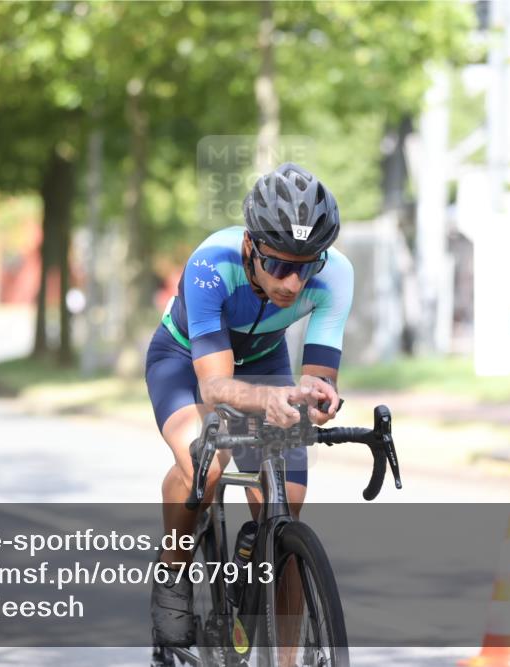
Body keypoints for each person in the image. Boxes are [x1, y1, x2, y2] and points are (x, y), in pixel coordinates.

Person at [145, 162, 354, 646]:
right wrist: (268, 399)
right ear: (250, 246)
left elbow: (319, 378)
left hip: (264, 361)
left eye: (307, 267)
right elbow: (215, 388)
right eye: (279, 265)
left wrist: (318, 400)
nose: (293, 284)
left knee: (286, 508)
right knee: (207, 461)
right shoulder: (209, 263)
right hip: (184, 359)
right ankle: (174, 571)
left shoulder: (338, 274)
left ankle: (283, 654)